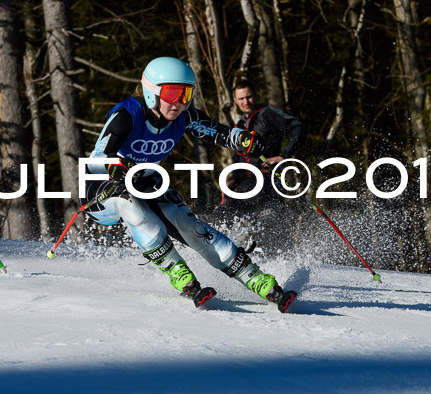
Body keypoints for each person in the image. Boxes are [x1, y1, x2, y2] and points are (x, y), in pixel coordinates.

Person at [81, 57, 297, 312]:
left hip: (144, 182)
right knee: (132, 205)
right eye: (173, 92)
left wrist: (245, 140)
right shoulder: (126, 115)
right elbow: (96, 160)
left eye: (186, 94)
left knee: (188, 223)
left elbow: (220, 132)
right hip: (102, 191)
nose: (179, 102)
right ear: (152, 91)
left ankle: (258, 280)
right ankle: (180, 275)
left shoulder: (184, 116)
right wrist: (115, 167)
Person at [219, 82, 304, 244]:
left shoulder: (267, 114)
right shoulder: (239, 126)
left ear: (256, 95)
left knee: (270, 225)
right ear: (235, 101)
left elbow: (297, 126)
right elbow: (239, 157)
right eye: (241, 98)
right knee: (230, 211)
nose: (246, 102)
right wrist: (233, 178)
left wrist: (283, 155)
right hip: (248, 183)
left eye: (249, 97)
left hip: (268, 180)